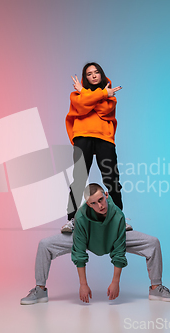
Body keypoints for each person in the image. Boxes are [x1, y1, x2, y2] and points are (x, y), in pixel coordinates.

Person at [20, 183, 170, 305]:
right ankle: (40, 290)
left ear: (107, 195)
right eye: (94, 203)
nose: (100, 206)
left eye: (101, 199)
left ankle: (156, 288)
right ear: (88, 205)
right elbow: (79, 252)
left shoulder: (118, 215)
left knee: (153, 243)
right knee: (44, 244)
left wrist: (115, 281)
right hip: (87, 237)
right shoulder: (81, 217)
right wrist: (83, 284)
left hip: (112, 236)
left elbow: (119, 251)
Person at [61, 62, 132, 233]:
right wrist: (98, 94)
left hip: (104, 138)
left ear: (101, 74)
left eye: (96, 72)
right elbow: (81, 106)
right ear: (85, 77)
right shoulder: (77, 95)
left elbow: (102, 110)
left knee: (112, 180)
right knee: (79, 180)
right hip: (82, 137)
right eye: (89, 73)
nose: (93, 76)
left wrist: (88, 95)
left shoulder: (110, 96)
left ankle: (118, 219)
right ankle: (72, 220)